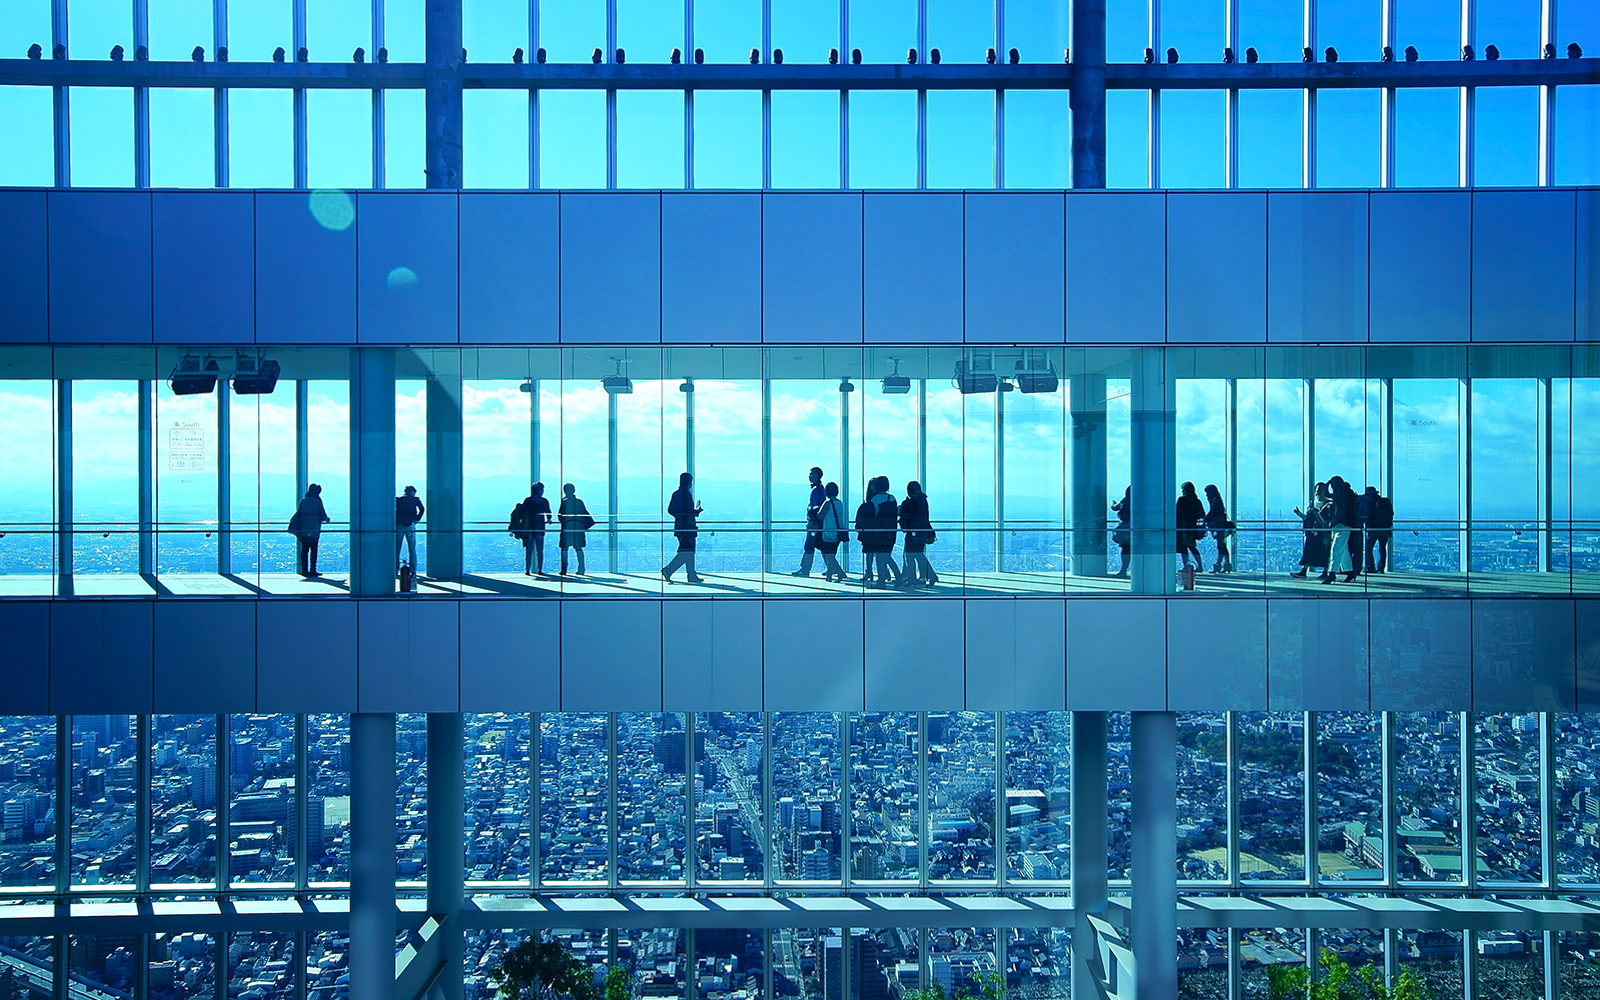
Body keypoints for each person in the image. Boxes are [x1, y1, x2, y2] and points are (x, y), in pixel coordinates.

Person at [661, 472, 704, 584]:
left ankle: (691, 574)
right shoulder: (687, 494)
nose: (691, 484)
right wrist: (695, 512)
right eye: (691, 481)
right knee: (687, 552)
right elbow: (687, 512)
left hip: (680, 527)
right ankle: (669, 570)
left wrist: (679, 516)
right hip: (687, 528)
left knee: (687, 551)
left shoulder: (676, 494)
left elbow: (670, 510)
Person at [899, 481, 938, 588]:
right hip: (922, 532)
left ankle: (912, 579)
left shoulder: (911, 503)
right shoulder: (923, 500)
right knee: (919, 555)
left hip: (912, 532)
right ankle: (930, 575)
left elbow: (905, 516)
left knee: (910, 556)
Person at [790, 466, 827, 578]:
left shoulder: (817, 490)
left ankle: (805, 569)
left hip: (813, 524)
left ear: (817, 476)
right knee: (820, 546)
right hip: (817, 523)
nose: (809, 476)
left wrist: (809, 510)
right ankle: (831, 567)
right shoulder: (820, 489)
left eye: (811, 474)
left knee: (809, 546)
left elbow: (817, 507)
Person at [1322, 476, 1359, 584]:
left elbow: (1327, 495)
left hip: (1342, 525)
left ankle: (1332, 573)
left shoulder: (1341, 494)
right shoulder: (1346, 493)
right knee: (1343, 551)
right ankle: (1350, 572)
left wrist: (1326, 484)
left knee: (1336, 549)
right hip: (1344, 525)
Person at [1291, 482, 1331, 579]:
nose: (1318, 492)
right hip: (1312, 533)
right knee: (1308, 550)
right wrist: (1299, 514)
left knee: (1323, 553)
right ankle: (1304, 570)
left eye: (1321, 490)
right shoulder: (1312, 503)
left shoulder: (1328, 504)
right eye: (1317, 490)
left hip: (1322, 533)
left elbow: (1326, 522)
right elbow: (1308, 518)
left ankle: (1325, 572)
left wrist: (1318, 515)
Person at [290, 483, 330, 578]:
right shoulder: (317, 501)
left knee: (304, 550)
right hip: (314, 530)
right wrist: (327, 519)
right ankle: (312, 570)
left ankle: (304, 570)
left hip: (304, 529)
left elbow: (299, 514)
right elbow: (322, 515)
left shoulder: (303, 501)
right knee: (313, 550)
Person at [512, 483, 552, 576]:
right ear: (540, 490)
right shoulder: (544, 501)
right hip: (540, 528)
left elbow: (521, 513)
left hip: (529, 528)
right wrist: (549, 519)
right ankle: (540, 569)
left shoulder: (528, 500)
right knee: (540, 550)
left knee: (529, 550)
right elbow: (548, 512)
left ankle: (527, 569)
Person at [813, 482, 849, 582]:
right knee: (832, 554)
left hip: (828, 532)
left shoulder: (827, 503)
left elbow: (820, 515)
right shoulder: (840, 503)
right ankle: (829, 574)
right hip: (839, 532)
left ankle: (840, 572)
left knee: (828, 555)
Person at [557, 483, 593, 576]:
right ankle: (581, 569)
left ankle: (564, 569)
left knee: (565, 548)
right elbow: (585, 515)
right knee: (578, 548)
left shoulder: (564, 502)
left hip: (567, 528)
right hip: (578, 529)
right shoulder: (579, 502)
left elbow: (560, 516)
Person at [1361, 485, 1393, 573]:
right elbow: (1391, 513)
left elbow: (1367, 515)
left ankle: (1370, 567)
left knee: (1369, 548)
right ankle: (1381, 567)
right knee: (1382, 548)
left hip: (1373, 529)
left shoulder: (1369, 503)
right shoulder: (1385, 501)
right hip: (1384, 528)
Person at [395, 485, 425, 577]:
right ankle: (413, 570)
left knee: (397, 549)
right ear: (413, 492)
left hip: (399, 525)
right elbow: (422, 509)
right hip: (410, 525)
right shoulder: (415, 500)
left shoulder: (398, 500)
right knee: (412, 548)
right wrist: (416, 519)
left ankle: (395, 569)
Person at [1203, 484, 1234, 573]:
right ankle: (1225, 564)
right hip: (1220, 526)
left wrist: (1206, 519)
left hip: (1218, 526)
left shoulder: (1215, 500)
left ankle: (1221, 564)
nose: (1206, 495)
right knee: (1221, 545)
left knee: (1221, 545)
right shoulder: (1217, 499)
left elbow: (1213, 512)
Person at [1175, 481, 1205, 572]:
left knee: (1183, 548)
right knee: (1192, 547)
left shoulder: (1181, 500)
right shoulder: (1196, 501)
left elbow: (1176, 513)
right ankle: (1199, 566)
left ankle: (1186, 567)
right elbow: (1202, 514)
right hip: (1192, 527)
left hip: (1181, 528)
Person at [1110, 486, 1132, 578]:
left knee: (1126, 550)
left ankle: (1123, 570)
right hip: (1138, 530)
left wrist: (1112, 502)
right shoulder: (1143, 500)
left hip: (1126, 530)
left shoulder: (1125, 501)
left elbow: (1115, 507)